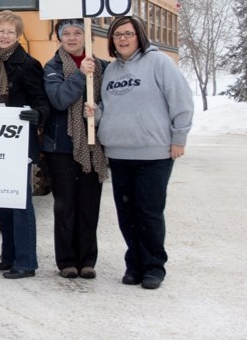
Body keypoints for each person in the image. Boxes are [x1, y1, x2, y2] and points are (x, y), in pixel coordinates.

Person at [88, 15, 193, 290]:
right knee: (126, 214)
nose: (122, 39)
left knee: (149, 212)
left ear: (140, 36)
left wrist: (179, 137)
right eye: (117, 35)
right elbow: (110, 109)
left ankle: (153, 266)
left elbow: (180, 100)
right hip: (119, 153)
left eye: (128, 34)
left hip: (154, 154)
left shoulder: (158, 63)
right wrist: (95, 115)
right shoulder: (110, 71)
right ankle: (134, 264)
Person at [42, 18, 108, 280]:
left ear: (86, 36)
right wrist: (81, 75)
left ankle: (87, 259)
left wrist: (98, 112)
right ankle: (67, 260)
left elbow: (109, 102)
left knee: (89, 205)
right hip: (62, 147)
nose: (71, 38)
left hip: (94, 146)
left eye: (77, 32)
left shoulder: (102, 67)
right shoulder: (53, 67)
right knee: (66, 205)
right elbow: (59, 99)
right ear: (59, 38)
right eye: (66, 33)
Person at [0, 10, 50, 279]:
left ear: (18, 35)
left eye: (10, 32)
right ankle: (9, 255)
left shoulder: (27, 64)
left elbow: (42, 101)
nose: (4, 36)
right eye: (1, 30)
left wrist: (38, 115)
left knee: (20, 202)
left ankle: (26, 261)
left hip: (18, 142)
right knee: (3, 200)